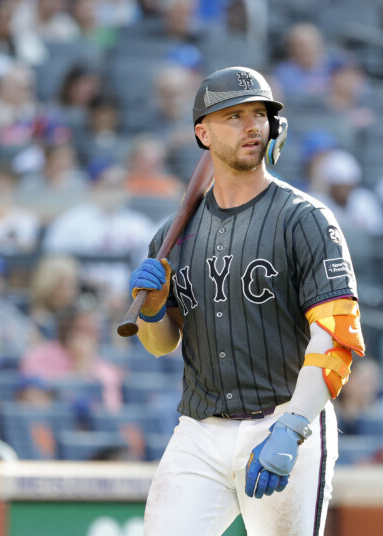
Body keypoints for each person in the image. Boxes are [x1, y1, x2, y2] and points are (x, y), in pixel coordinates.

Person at [132, 66, 365, 535]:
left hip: (283, 415)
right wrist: (153, 309)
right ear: (203, 132)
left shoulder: (306, 219)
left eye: (259, 114)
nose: (252, 126)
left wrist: (295, 424)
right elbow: (160, 344)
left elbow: (337, 335)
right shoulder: (171, 234)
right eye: (233, 116)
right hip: (200, 427)